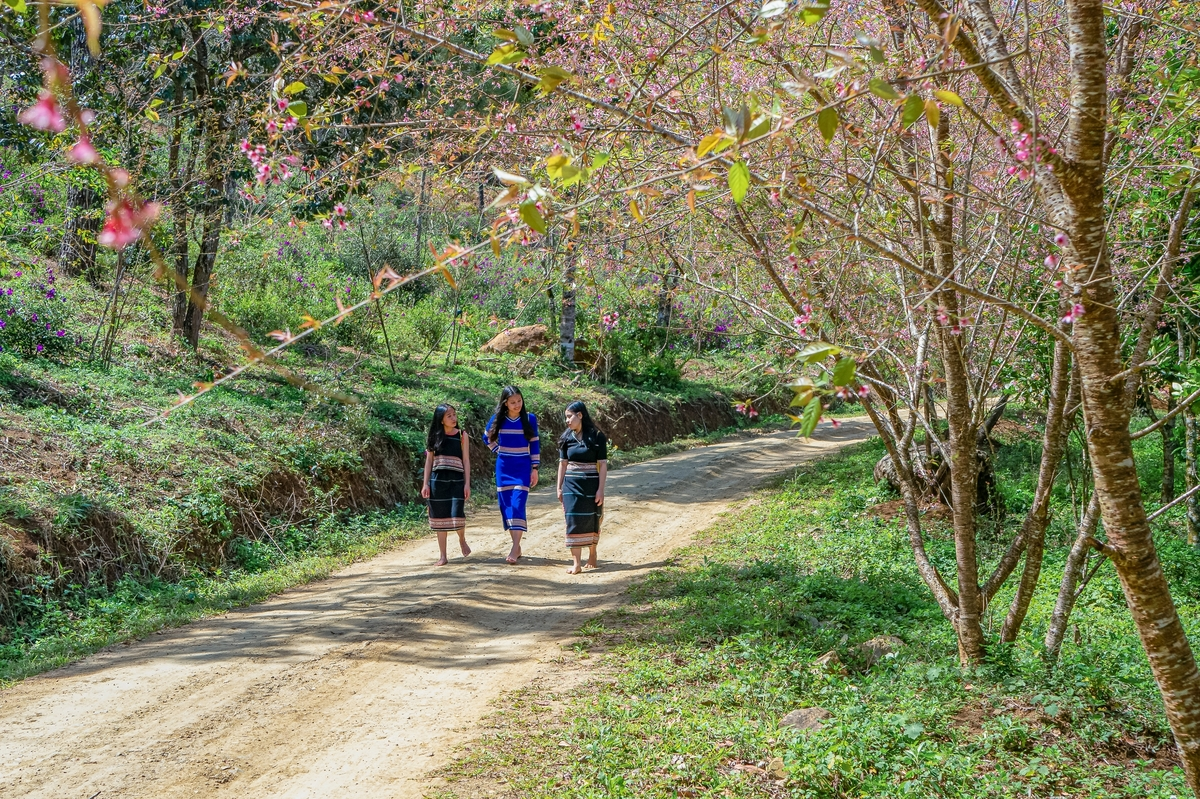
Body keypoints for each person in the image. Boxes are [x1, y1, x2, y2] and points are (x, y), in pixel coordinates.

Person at [484, 386, 540, 564]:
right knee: (506, 506)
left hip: (522, 467)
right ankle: (516, 544)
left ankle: (515, 547)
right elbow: (486, 437)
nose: (517, 405)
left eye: (519, 401)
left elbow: (535, 444)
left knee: (517, 504)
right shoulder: (498, 419)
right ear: (505, 403)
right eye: (513, 402)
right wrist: (498, 450)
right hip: (504, 468)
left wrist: (535, 468)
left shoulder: (529, 419)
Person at [556, 401, 608, 574]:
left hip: (591, 484)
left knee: (592, 518)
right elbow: (563, 464)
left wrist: (600, 489)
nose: (567, 421)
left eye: (570, 416)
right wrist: (559, 487)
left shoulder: (597, 436)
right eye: (566, 417)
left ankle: (592, 553)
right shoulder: (566, 438)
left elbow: (602, 464)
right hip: (571, 484)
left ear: (580, 415)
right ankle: (576, 563)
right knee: (572, 520)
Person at [421, 404, 471, 566]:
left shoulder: (462, 436)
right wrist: (425, 484)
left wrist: (467, 484)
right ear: (441, 420)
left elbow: (466, 461)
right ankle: (443, 556)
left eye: (454, 415)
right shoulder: (434, 437)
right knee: (438, 518)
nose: (453, 418)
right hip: (437, 483)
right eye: (449, 416)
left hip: (456, 481)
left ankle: (461, 539)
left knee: (457, 514)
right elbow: (429, 462)